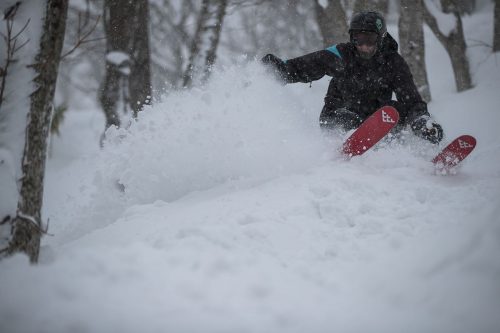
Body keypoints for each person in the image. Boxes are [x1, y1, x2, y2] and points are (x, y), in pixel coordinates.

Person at [261, 11, 443, 144]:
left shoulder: (393, 63)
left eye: (370, 40)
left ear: (380, 39)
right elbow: (306, 66)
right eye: (358, 39)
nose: (363, 46)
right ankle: (349, 142)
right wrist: (280, 70)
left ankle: (415, 150)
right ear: (352, 38)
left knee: (396, 110)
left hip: (377, 117)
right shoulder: (342, 54)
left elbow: (411, 99)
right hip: (338, 114)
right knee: (349, 119)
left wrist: (420, 121)